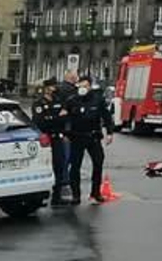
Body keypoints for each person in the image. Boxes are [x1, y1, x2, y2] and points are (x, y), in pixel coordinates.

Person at [63, 73, 116, 205]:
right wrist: (65, 133)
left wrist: (110, 133)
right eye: (81, 86)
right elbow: (65, 118)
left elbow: (106, 116)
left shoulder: (97, 100)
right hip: (77, 137)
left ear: (90, 87)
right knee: (75, 166)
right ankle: (76, 195)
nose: (83, 89)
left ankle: (96, 192)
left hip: (93, 137)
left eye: (86, 86)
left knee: (98, 162)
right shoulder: (72, 100)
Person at [32, 79, 71, 205]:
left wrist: (53, 118)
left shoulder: (58, 101)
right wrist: (57, 117)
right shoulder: (39, 103)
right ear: (46, 88)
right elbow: (40, 122)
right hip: (45, 139)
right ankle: (37, 198)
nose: (54, 89)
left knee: (59, 165)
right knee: (42, 166)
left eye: (55, 86)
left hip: (57, 137)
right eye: (52, 87)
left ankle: (57, 196)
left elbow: (66, 118)